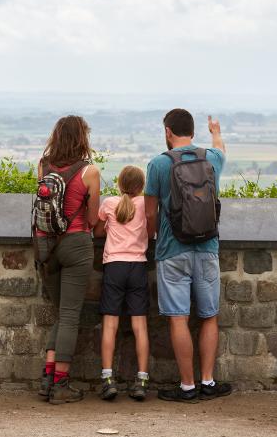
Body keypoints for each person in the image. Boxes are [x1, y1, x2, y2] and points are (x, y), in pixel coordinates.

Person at [144, 108, 232, 403]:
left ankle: (187, 386)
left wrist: (153, 241)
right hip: (207, 248)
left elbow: (149, 213)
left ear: (168, 131)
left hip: (172, 250)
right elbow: (221, 149)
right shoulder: (212, 159)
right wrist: (216, 131)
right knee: (209, 317)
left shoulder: (158, 165)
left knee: (178, 318)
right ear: (193, 132)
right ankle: (207, 381)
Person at [35, 115, 100, 404]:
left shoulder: (43, 165)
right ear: (82, 138)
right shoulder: (89, 172)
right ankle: (61, 384)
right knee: (71, 315)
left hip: (46, 245)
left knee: (62, 313)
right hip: (76, 243)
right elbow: (93, 218)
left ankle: (48, 378)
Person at [93, 166, 154, 401]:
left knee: (110, 325)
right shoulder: (145, 205)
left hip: (114, 267)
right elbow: (150, 231)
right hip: (137, 266)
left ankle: (108, 379)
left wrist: (108, 226)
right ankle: (142, 379)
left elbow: (98, 232)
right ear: (142, 186)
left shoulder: (109, 204)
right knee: (140, 327)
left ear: (119, 184)